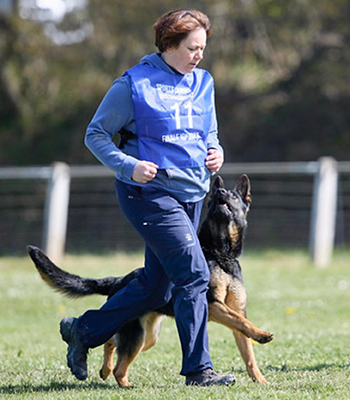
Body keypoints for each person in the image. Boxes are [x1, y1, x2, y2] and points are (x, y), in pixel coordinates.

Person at [60, 8, 235, 387]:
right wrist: (128, 166)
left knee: (157, 287)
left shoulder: (203, 82)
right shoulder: (132, 85)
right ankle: (199, 371)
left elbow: (209, 132)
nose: (199, 55)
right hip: (148, 195)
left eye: (203, 48)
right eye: (192, 48)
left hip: (193, 194)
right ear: (169, 44)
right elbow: (96, 135)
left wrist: (215, 151)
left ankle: (83, 330)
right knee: (193, 275)